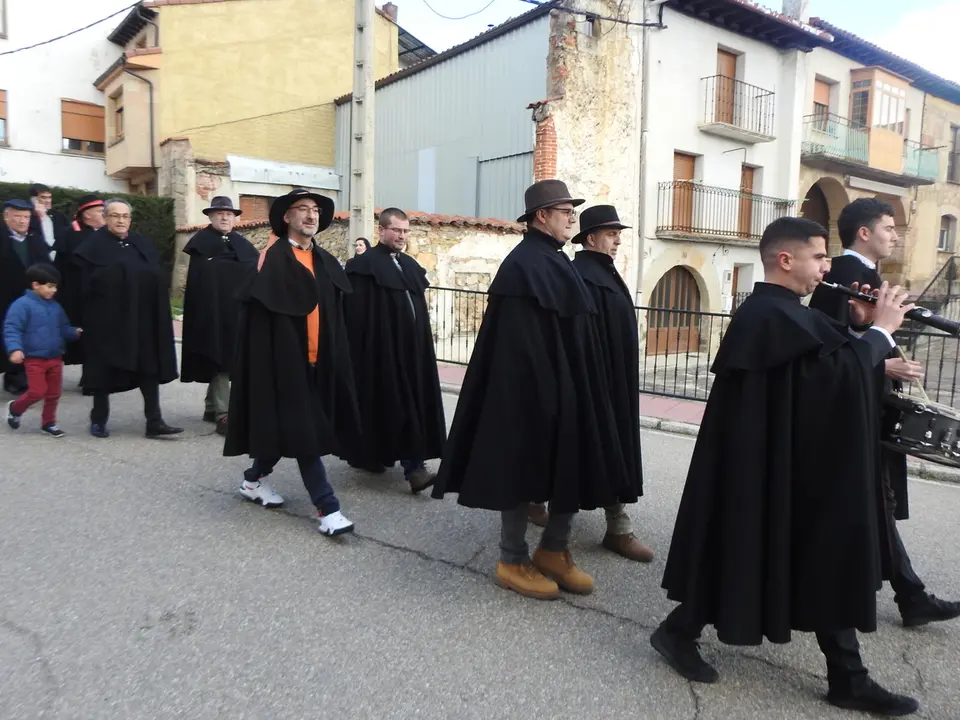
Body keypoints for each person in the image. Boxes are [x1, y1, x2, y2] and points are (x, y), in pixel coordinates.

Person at [652, 217, 919, 716]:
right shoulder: (769, 316)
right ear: (786, 259)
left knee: (779, 551)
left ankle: (846, 676)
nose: (826, 268)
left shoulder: (783, 314)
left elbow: (822, 366)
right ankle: (679, 632)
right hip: (770, 463)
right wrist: (880, 333)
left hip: (787, 460)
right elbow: (834, 377)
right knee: (757, 549)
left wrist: (860, 326)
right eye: (820, 258)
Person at [432, 180, 632, 600]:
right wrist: (548, 396)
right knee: (522, 471)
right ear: (542, 216)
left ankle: (554, 551)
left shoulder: (555, 259)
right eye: (566, 212)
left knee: (571, 466)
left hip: (570, 388)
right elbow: (518, 347)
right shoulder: (524, 264)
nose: (572, 220)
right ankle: (511, 558)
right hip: (533, 395)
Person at [808, 198, 960, 629]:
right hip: (853, 411)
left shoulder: (866, 277)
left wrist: (889, 358)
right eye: (889, 228)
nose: (896, 236)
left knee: (876, 502)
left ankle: (907, 593)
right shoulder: (842, 277)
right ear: (864, 233)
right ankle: (902, 593)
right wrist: (884, 363)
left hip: (871, 404)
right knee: (870, 500)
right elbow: (828, 347)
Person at [224, 189, 361, 537]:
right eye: (303, 210)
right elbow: (255, 326)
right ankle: (328, 509)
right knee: (305, 434)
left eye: (315, 210)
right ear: (287, 217)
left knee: (295, 429)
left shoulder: (325, 261)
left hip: (321, 363)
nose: (311, 216)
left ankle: (253, 481)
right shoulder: (270, 260)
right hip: (285, 364)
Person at [527, 205, 653, 562]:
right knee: (593, 449)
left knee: (605, 449)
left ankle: (545, 504)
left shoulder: (605, 273)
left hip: (616, 382)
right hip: (595, 382)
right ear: (591, 238)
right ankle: (616, 526)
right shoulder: (582, 275)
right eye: (611, 235)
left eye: (618, 235)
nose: (616, 241)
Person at [342, 208, 446, 493]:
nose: (402, 236)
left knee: (409, 405)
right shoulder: (363, 267)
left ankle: (388, 459)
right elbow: (357, 317)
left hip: (414, 353)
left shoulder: (409, 265)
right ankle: (413, 469)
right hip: (382, 353)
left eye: (405, 231)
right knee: (390, 405)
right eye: (396, 230)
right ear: (382, 231)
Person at [72, 198, 182, 439]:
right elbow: (83, 287)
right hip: (107, 321)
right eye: (115, 215)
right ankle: (98, 420)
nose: (121, 220)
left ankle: (155, 421)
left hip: (142, 319)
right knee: (103, 370)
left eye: (125, 216)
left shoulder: (141, 243)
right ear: (105, 218)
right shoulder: (92, 246)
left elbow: (156, 275)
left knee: (148, 368)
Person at [180, 196, 259, 436]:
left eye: (229, 214)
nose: (225, 217)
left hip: (237, 313)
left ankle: (212, 407)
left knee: (232, 359)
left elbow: (253, 274)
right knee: (218, 359)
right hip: (211, 312)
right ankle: (224, 415)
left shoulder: (242, 244)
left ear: (235, 218)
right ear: (210, 216)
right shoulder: (201, 244)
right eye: (220, 213)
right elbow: (201, 284)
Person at [4, 264, 81, 437]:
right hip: (34, 358)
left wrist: (73, 332)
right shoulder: (21, 305)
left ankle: (49, 423)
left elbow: (63, 327)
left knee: (54, 393)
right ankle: (15, 408)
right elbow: (12, 328)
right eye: (50, 286)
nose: (53, 291)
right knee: (37, 391)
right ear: (36, 285)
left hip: (55, 356)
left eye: (55, 287)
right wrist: (15, 349)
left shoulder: (55, 307)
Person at [1, 199, 51, 395]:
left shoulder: (35, 239)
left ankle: (31, 377)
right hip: (6, 297)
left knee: (31, 337)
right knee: (11, 337)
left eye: (26, 217)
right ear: (6, 217)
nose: (22, 221)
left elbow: (48, 266)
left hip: (33, 298)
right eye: (17, 217)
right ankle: (13, 377)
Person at [57, 195, 105, 369]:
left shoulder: (108, 234)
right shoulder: (68, 234)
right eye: (100, 212)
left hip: (102, 294)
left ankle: (94, 374)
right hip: (76, 293)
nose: (105, 215)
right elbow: (59, 267)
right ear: (87, 214)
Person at [27, 183, 70, 264]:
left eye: (49, 197)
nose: (48, 201)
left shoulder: (59, 216)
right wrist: (42, 217)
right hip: (37, 262)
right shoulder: (27, 216)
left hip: (58, 261)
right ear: (33, 199)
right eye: (43, 197)